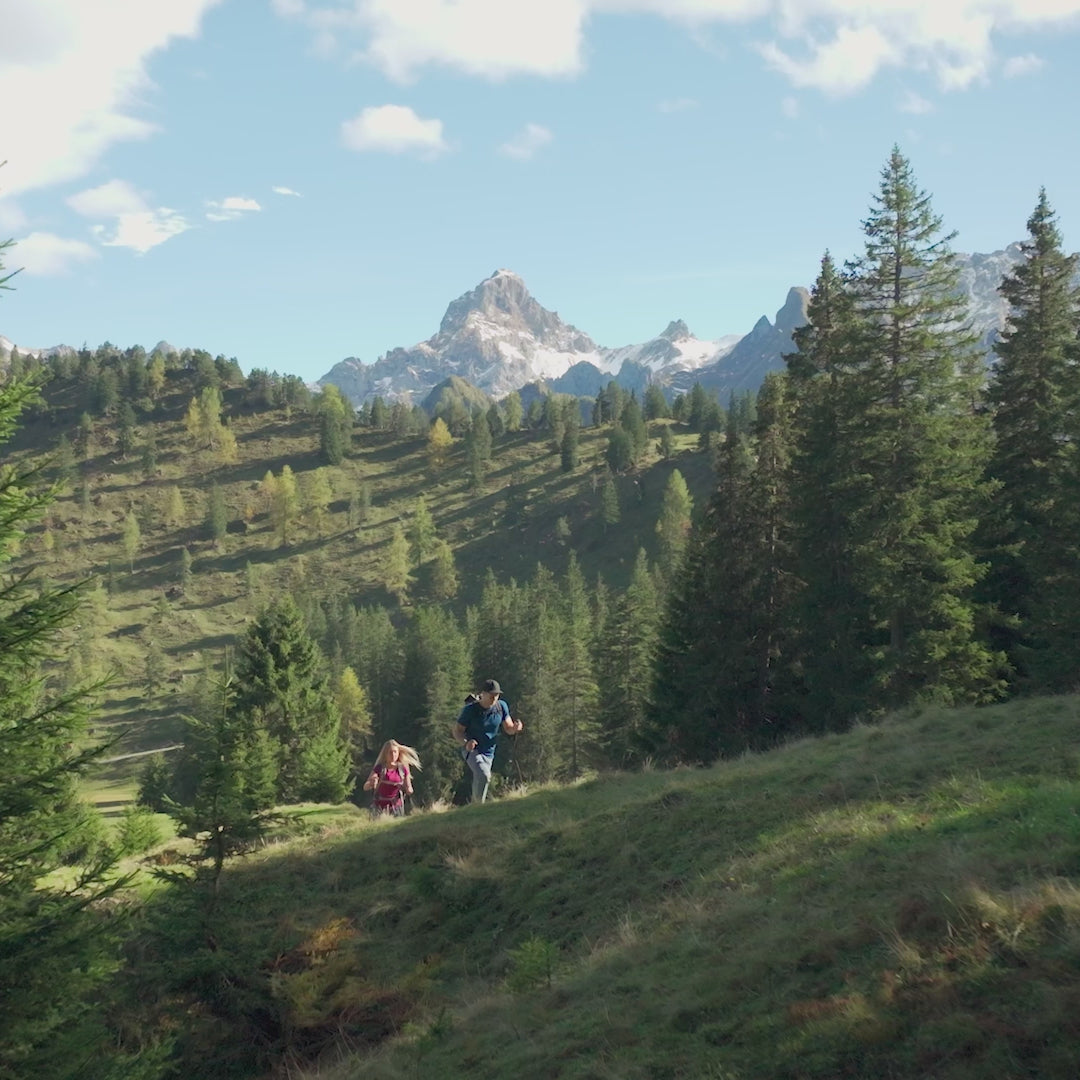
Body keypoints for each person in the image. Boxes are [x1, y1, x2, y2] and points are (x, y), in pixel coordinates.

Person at [453, 679, 523, 804]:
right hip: (472, 750)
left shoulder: (501, 707)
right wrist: (466, 743)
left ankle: (476, 805)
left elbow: (508, 728)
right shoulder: (470, 710)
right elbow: (457, 731)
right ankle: (479, 805)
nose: (494, 698)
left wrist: (515, 728)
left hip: (489, 752)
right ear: (483, 694)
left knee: (482, 777)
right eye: (491, 695)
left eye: (496, 695)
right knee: (484, 775)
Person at [362, 739, 420, 817]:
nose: (393, 755)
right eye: (390, 752)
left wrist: (408, 789)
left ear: (398, 753)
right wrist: (372, 783)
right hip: (379, 808)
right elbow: (365, 787)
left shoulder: (402, 769)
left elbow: (409, 788)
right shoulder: (380, 768)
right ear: (385, 754)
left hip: (396, 808)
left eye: (395, 752)